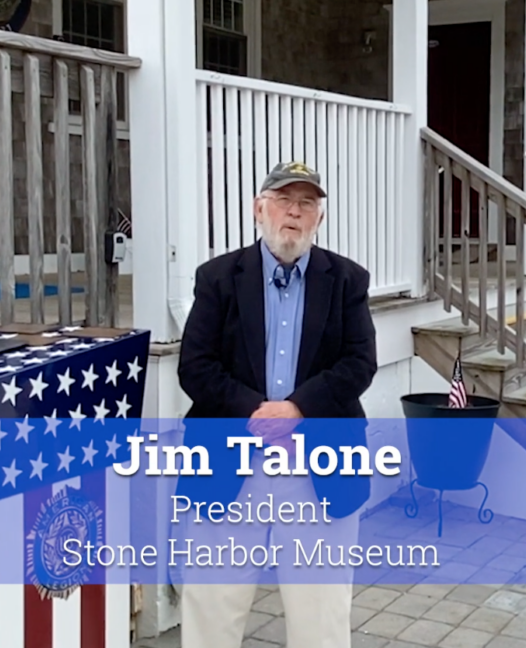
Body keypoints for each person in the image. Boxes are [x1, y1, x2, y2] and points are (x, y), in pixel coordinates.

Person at [175, 161, 378, 648]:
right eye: (284, 199)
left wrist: (297, 410)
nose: (295, 211)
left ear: (318, 219)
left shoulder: (347, 281)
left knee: (321, 615)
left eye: (307, 203)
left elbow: (360, 363)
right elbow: (195, 367)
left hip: (319, 468)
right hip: (228, 463)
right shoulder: (218, 278)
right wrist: (255, 412)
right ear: (258, 209)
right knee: (212, 609)